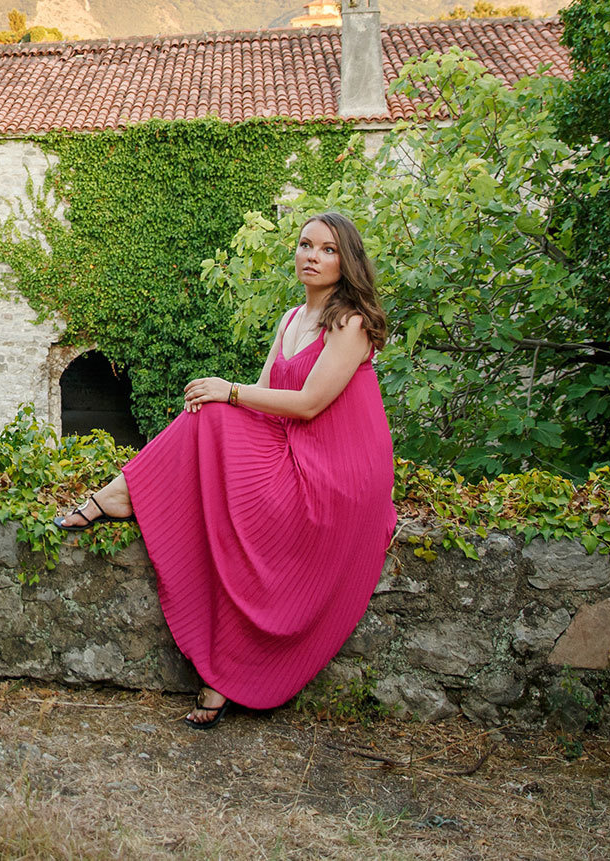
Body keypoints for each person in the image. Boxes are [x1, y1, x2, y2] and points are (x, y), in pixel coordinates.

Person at [54, 211, 396, 728]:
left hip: (337, 472)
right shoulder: (290, 319)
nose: (312, 256)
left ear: (346, 260)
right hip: (292, 447)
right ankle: (218, 671)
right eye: (305, 245)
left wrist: (227, 390)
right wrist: (224, 400)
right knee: (210, 422)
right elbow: (264, 402)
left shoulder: (350, 323)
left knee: (218, 414)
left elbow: (306, 404)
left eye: (327, 249)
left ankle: (123, 494)